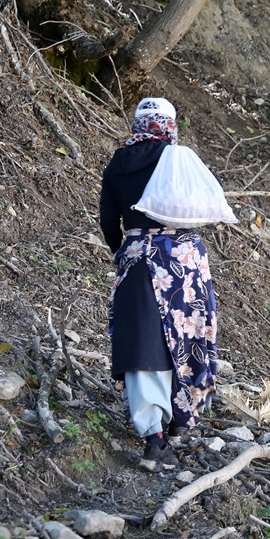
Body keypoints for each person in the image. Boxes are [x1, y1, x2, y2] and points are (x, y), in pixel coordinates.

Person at [99, 97, 220, 471]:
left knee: (143, 339)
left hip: (137, 257)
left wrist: (127, 249)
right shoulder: (177, 160)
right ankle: (182, 418)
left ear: (137, 124)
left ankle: (154, 435)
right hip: (184, 260)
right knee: (187, 337)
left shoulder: (118, 162)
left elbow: (108, 221)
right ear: (169, 124)